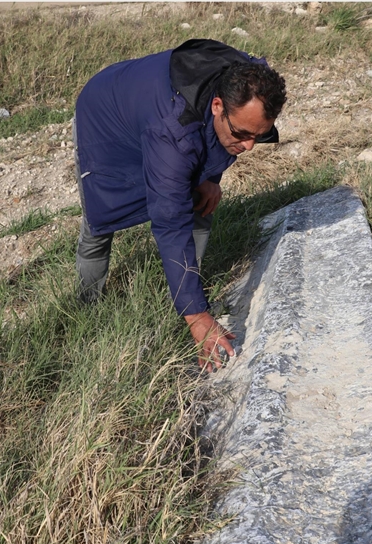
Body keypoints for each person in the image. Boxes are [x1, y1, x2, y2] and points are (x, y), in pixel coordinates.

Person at [73, 39, 286, 371]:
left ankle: (190, 283)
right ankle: (87, 307)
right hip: (105, 118)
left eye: (259, 136)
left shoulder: (249, 80)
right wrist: (198, 319)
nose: (249, 146)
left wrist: (211, 178)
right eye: (243, 134)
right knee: (99, 220)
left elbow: (216, 143)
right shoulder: (172, 132)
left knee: (199, 201)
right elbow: (170, 221)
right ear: (218, 105)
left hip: (150, 107)